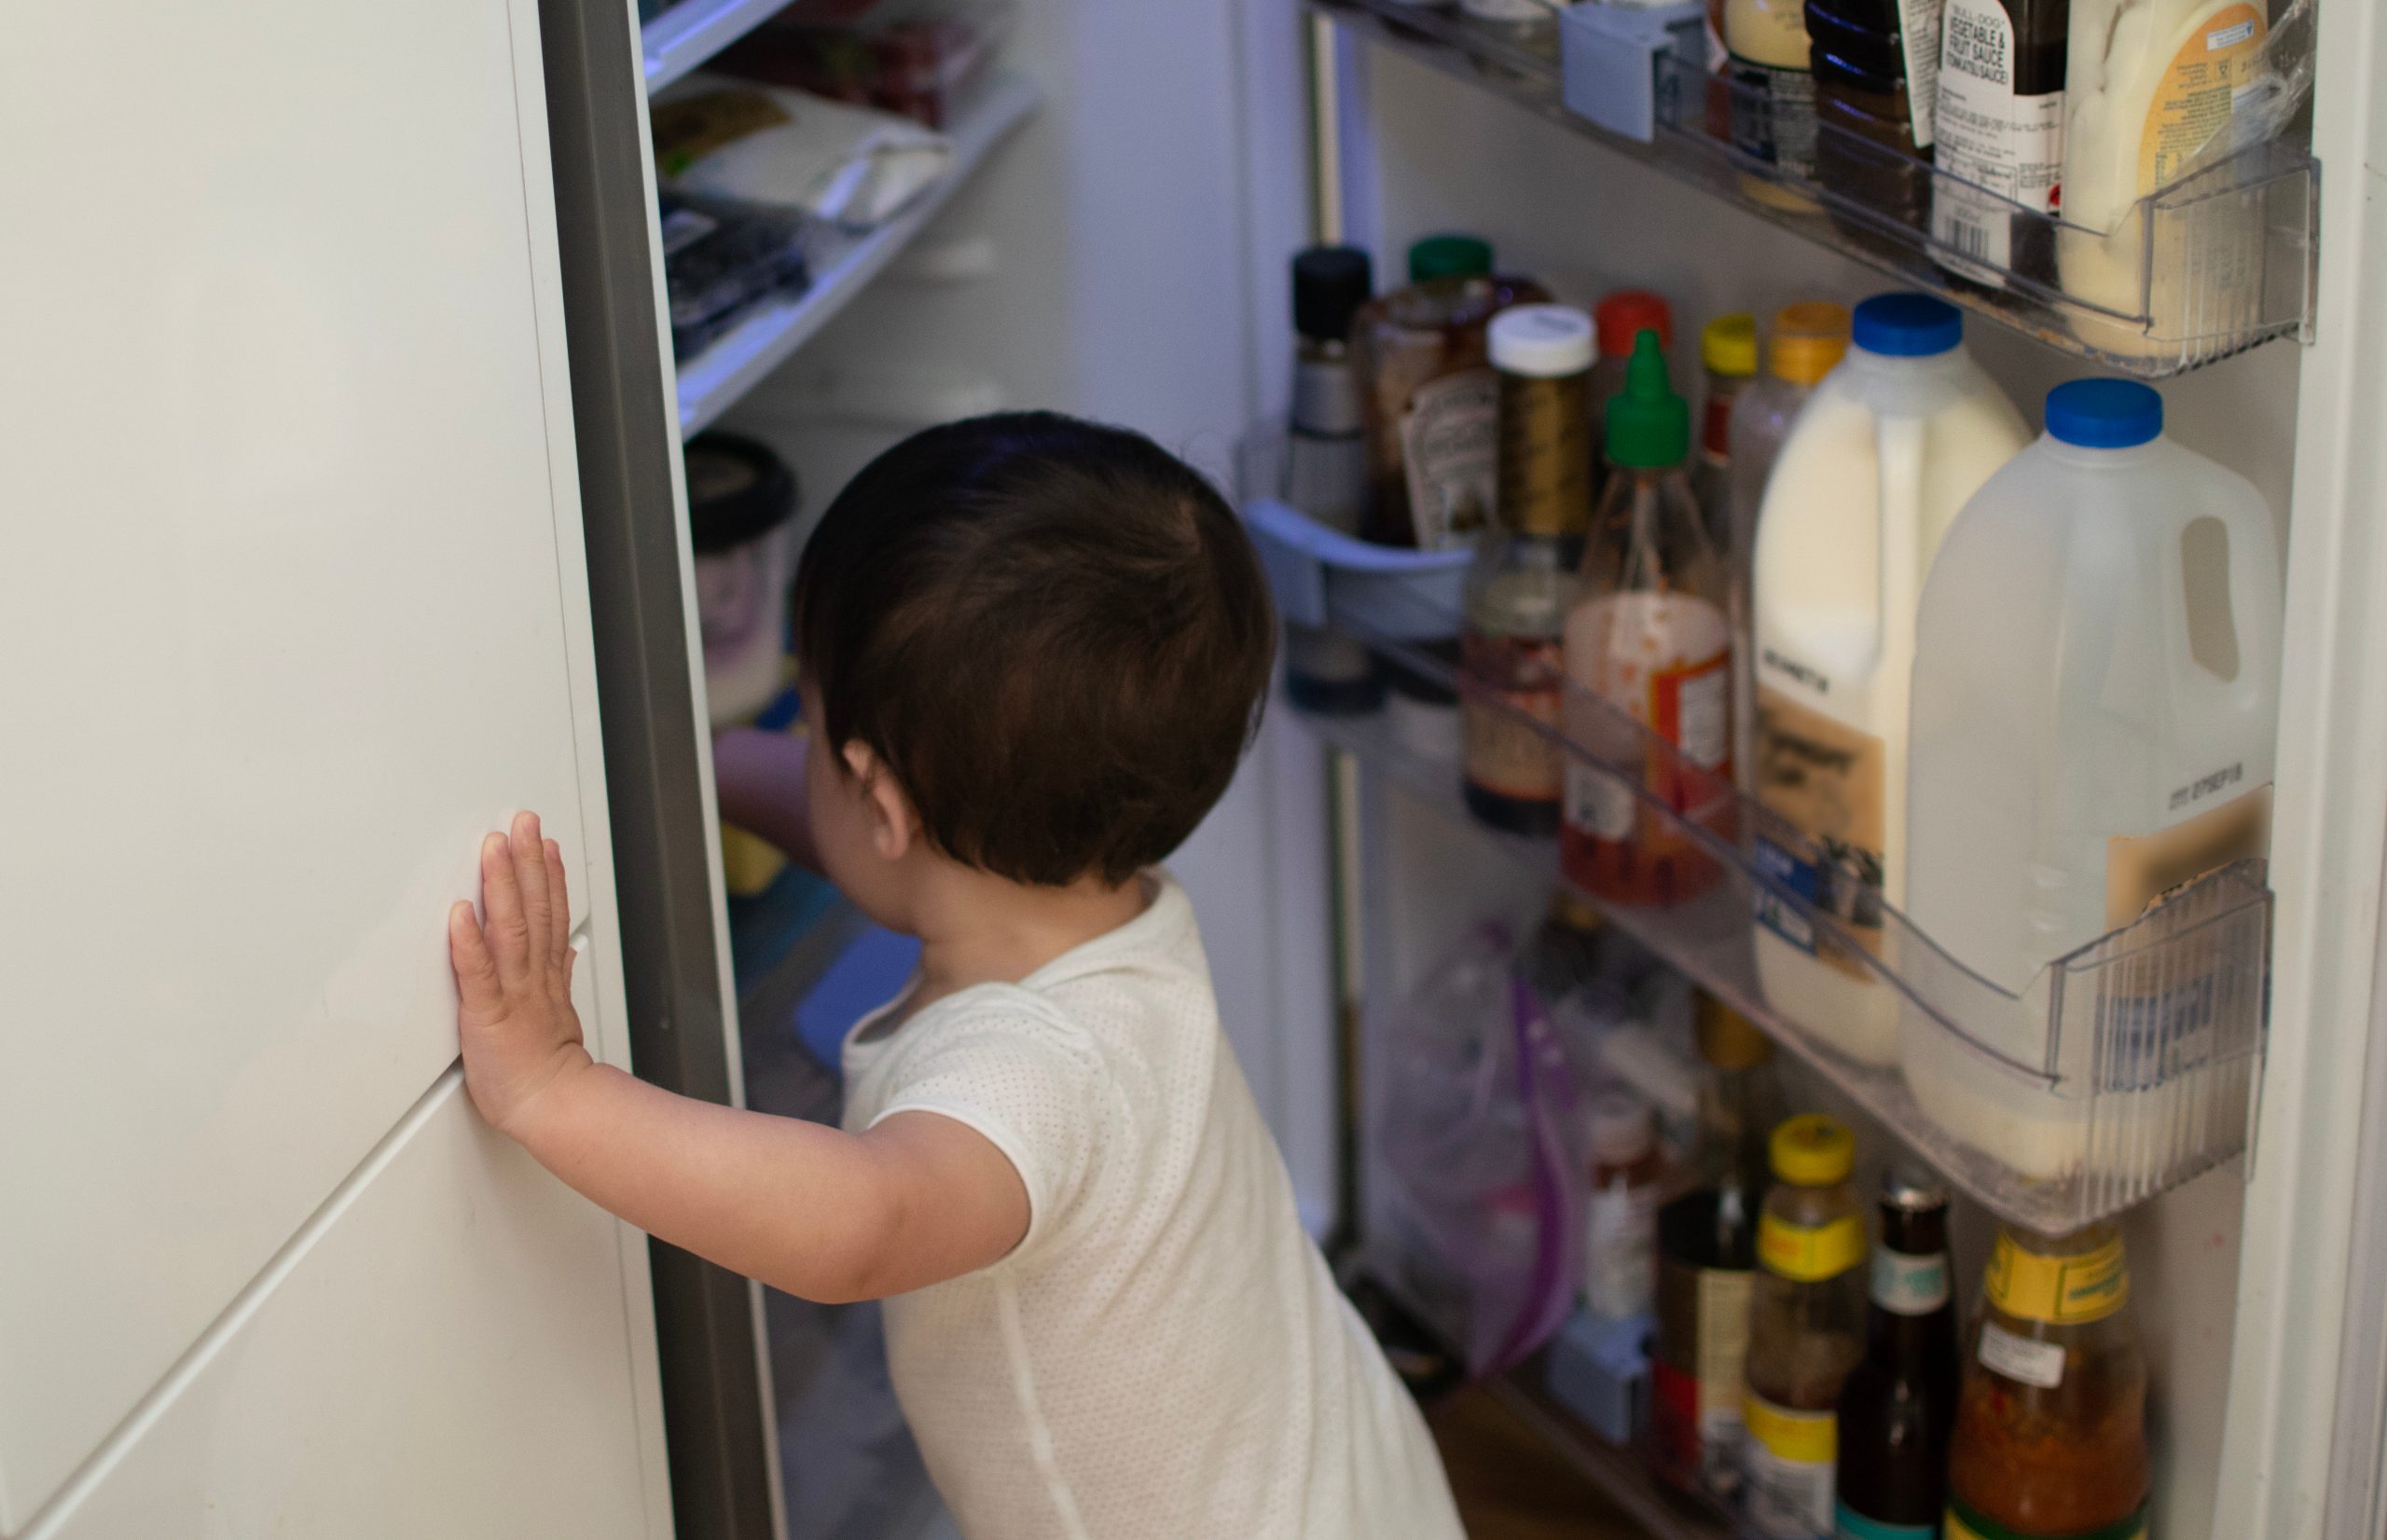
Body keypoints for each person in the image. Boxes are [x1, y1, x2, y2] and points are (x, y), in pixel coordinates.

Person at [447, 412, 1464, 1540]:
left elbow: (860, 1223)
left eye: (812, 719)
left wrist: (553, 1086)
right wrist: (707, 763)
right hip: (1345, 1481)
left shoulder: (1026, 1075)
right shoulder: (1114, 900)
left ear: (881, 800)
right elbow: (877, 830)